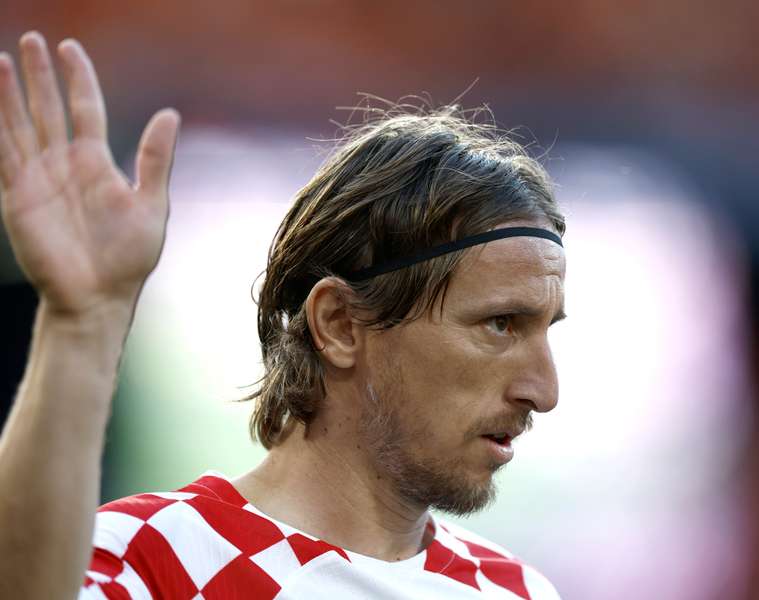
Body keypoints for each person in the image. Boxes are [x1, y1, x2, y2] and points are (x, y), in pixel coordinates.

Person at [0, 31, 566, 599]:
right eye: (500, 324)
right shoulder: (152, 559)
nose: (543, 390)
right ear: (340, 325)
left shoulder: (517, 592)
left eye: (546, 329)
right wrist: (80, 323)